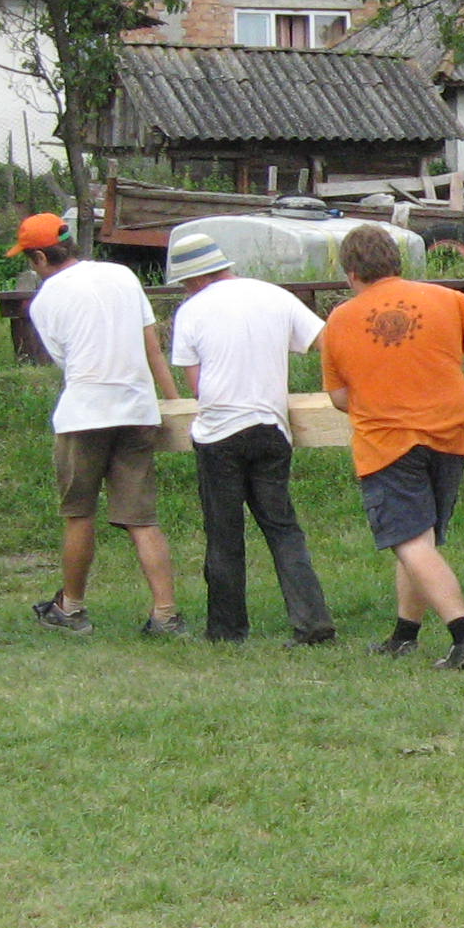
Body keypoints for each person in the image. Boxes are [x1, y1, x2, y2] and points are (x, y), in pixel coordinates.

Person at [318, 222, 464, 669]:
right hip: (450, 433)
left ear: (351, 274)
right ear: (397, 262)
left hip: (387, 442)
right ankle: (404, 635)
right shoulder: (443, 298)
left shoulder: (341, 319)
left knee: (409, 541)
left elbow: (337, 397)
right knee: (421, 539)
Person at [165, 228, 337, 647]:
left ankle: (227, 630)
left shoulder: (191, 311)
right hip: (271, 428)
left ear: (196, 277)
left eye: (186, 282)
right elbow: (327, 341)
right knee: (283, 528)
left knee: (224, 534)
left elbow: (197, 387)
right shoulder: (274, 296)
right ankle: (312, 621)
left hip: (219, 433)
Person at [16, 211, 183, 637]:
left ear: (40, 258)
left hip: (85, 413)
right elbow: (153, 347)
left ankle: (71, 608)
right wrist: (175, 402)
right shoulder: (122, 275)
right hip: (137, 410)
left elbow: (68, 363)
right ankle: (166, 614)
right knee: (142, 518)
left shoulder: (45, 301)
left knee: (79, 514)